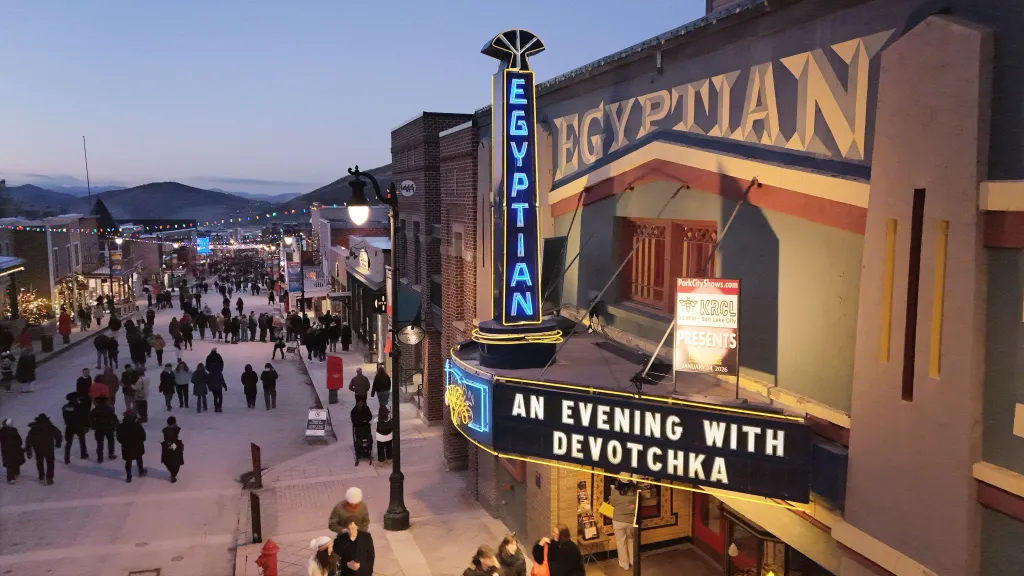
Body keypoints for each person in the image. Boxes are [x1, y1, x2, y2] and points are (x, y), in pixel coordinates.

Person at [608, 474, 637, 571]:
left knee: (621, 543)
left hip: (618, 521)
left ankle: (624, 564)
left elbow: (612, 503)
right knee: (631, 541)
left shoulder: (616, 492)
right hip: (631, 521)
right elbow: (635, 504)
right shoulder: (634, 491)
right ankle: (633, 561)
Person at [25, 414, 62, 485]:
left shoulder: (34, 428)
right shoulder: (50, 427)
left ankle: (41, 476)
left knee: (39, 462)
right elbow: (58, 435)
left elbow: (29, 440)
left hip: (38, 449)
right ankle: (49, 478)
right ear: (47, 419)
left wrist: (28, 449)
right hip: (49, 448)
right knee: (50, 463)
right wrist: (58, 443)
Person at [117, 411, 146, 482]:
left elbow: (118, 437)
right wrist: (140, 441)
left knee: (128, 461)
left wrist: (124, 442)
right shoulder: (137, 425)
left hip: (126, 446)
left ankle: (129, 476)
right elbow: (143, 435)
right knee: (139, 458)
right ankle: (141, 471)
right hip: (137, 445)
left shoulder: (121, 426)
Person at [61, 392, 89, 463]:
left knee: (68, 443)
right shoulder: (79, 406)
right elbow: (84, 415)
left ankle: (66, 458)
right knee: (82, 441)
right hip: (79, 426)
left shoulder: (65, 407)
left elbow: (65, 415)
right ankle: (83, 454)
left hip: (69, 426)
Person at [89, 396, 118, 463]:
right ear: (105, 401)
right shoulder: (109, 409)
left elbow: (90, 419)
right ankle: (111, 454)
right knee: (111, 441)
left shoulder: (94, 410)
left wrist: (93, 426)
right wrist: (116, 426)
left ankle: (100, 458)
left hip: (99, 429)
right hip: (109, 428)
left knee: (99, 443)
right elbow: (114, 418)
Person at [1, 418, 25, 484]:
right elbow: (19, 440)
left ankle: (11, 478)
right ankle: (16, 473)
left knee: (9, 463)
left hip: (6, 450)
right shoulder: (14, 430)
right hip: (15, 449)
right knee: (16, 460)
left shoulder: (2, 431)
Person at [161, 416, 184, 483]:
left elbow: (161, 440)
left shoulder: (164, 430)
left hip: (166, 448)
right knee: (176, 462)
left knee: (167, 461)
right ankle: (173, 474)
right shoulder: (178, 429)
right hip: (176, 448)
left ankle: (172, 473)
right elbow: (180, 440)